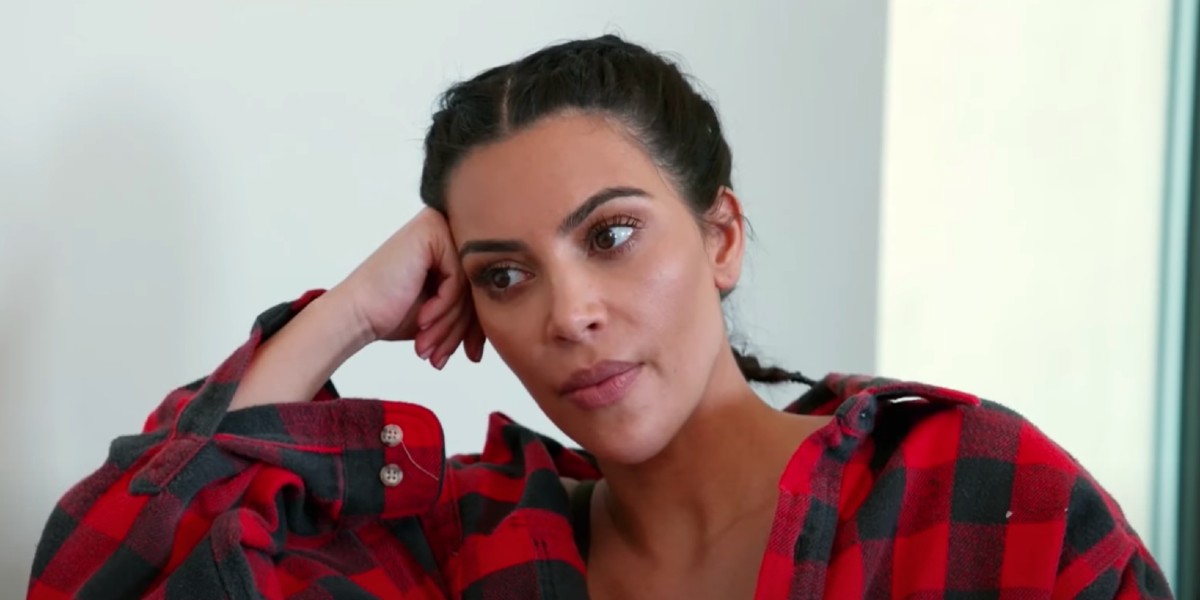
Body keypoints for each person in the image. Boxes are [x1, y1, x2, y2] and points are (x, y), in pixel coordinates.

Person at [28, 35, 1171, 600]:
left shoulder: (968, 491)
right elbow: (105, 575)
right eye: (505, 276)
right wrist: (344, 317)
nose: (569, 313)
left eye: (611, 236)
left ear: (720, 237)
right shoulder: (470, 545)